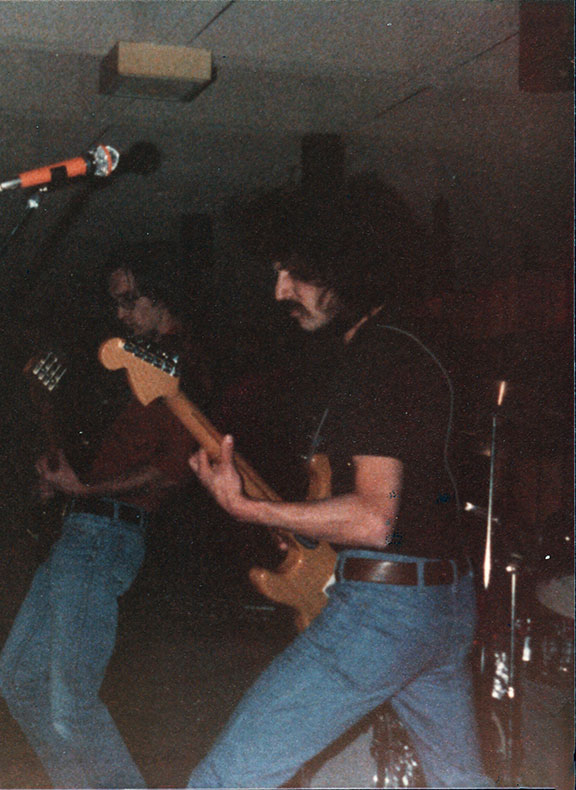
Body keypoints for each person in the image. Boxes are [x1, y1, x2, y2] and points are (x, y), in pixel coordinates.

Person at [187, 175, 493, 788]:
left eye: (292, 273)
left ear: (343, 265)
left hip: (389, 608)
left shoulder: (378, 357)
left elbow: (373, 519)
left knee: (227, 777)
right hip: (444, 601)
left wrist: (251, 509)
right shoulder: (416, 345)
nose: (279, 291)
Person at [0, 243, 203, 788]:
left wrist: (87, 487)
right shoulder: (142, 360)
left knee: (70, 701)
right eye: (116, 303)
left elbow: (170, 471)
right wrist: (63, 475)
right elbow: (118, 446)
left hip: (105, 534)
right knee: (17, 679)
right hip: (83, 530)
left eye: (130, 300)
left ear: (164, 298)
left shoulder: (183, 364)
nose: (121, 314)